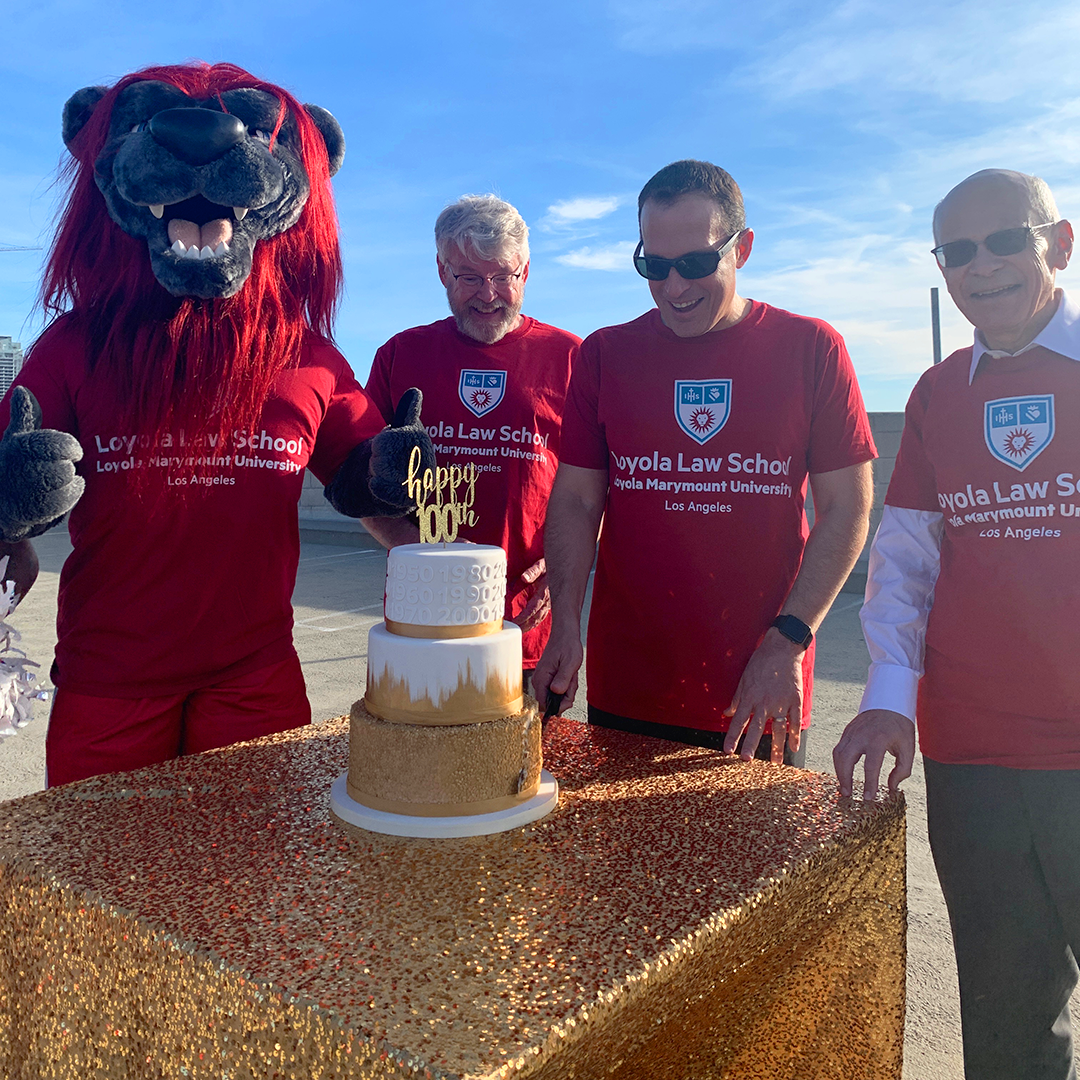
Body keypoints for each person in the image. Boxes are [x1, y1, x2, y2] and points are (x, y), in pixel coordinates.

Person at [834, 169, 1080, 1080]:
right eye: (957, 251)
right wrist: (890, 701)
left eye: (1004, 241)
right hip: (971, 757)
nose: (981, 267)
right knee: (1008, 1017)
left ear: (1057, 244)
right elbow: (906, 563)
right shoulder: (939, 394)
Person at [533, 159, 875, 764]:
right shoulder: (604, 355)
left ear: (741, 249)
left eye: (694, 264)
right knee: (623, 857)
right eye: (653, 266)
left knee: (755, 859)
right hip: (628, 685)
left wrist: (788, 642)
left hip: (757, 686)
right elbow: (578, 500)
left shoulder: (812, 348)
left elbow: (847, 509)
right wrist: (565, 623)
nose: (673, 287)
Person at [364, 195, 581, 672]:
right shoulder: (400, 356)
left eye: (503, 275)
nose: (488, 294)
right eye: (469, 277)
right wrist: (419, 550)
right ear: (442, 271)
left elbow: (598, 485)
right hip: (421, 624)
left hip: (524, 633)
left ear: (526, 271)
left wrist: (563, 573)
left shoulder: (572, 359)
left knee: (526, 748)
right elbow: (358, 479)